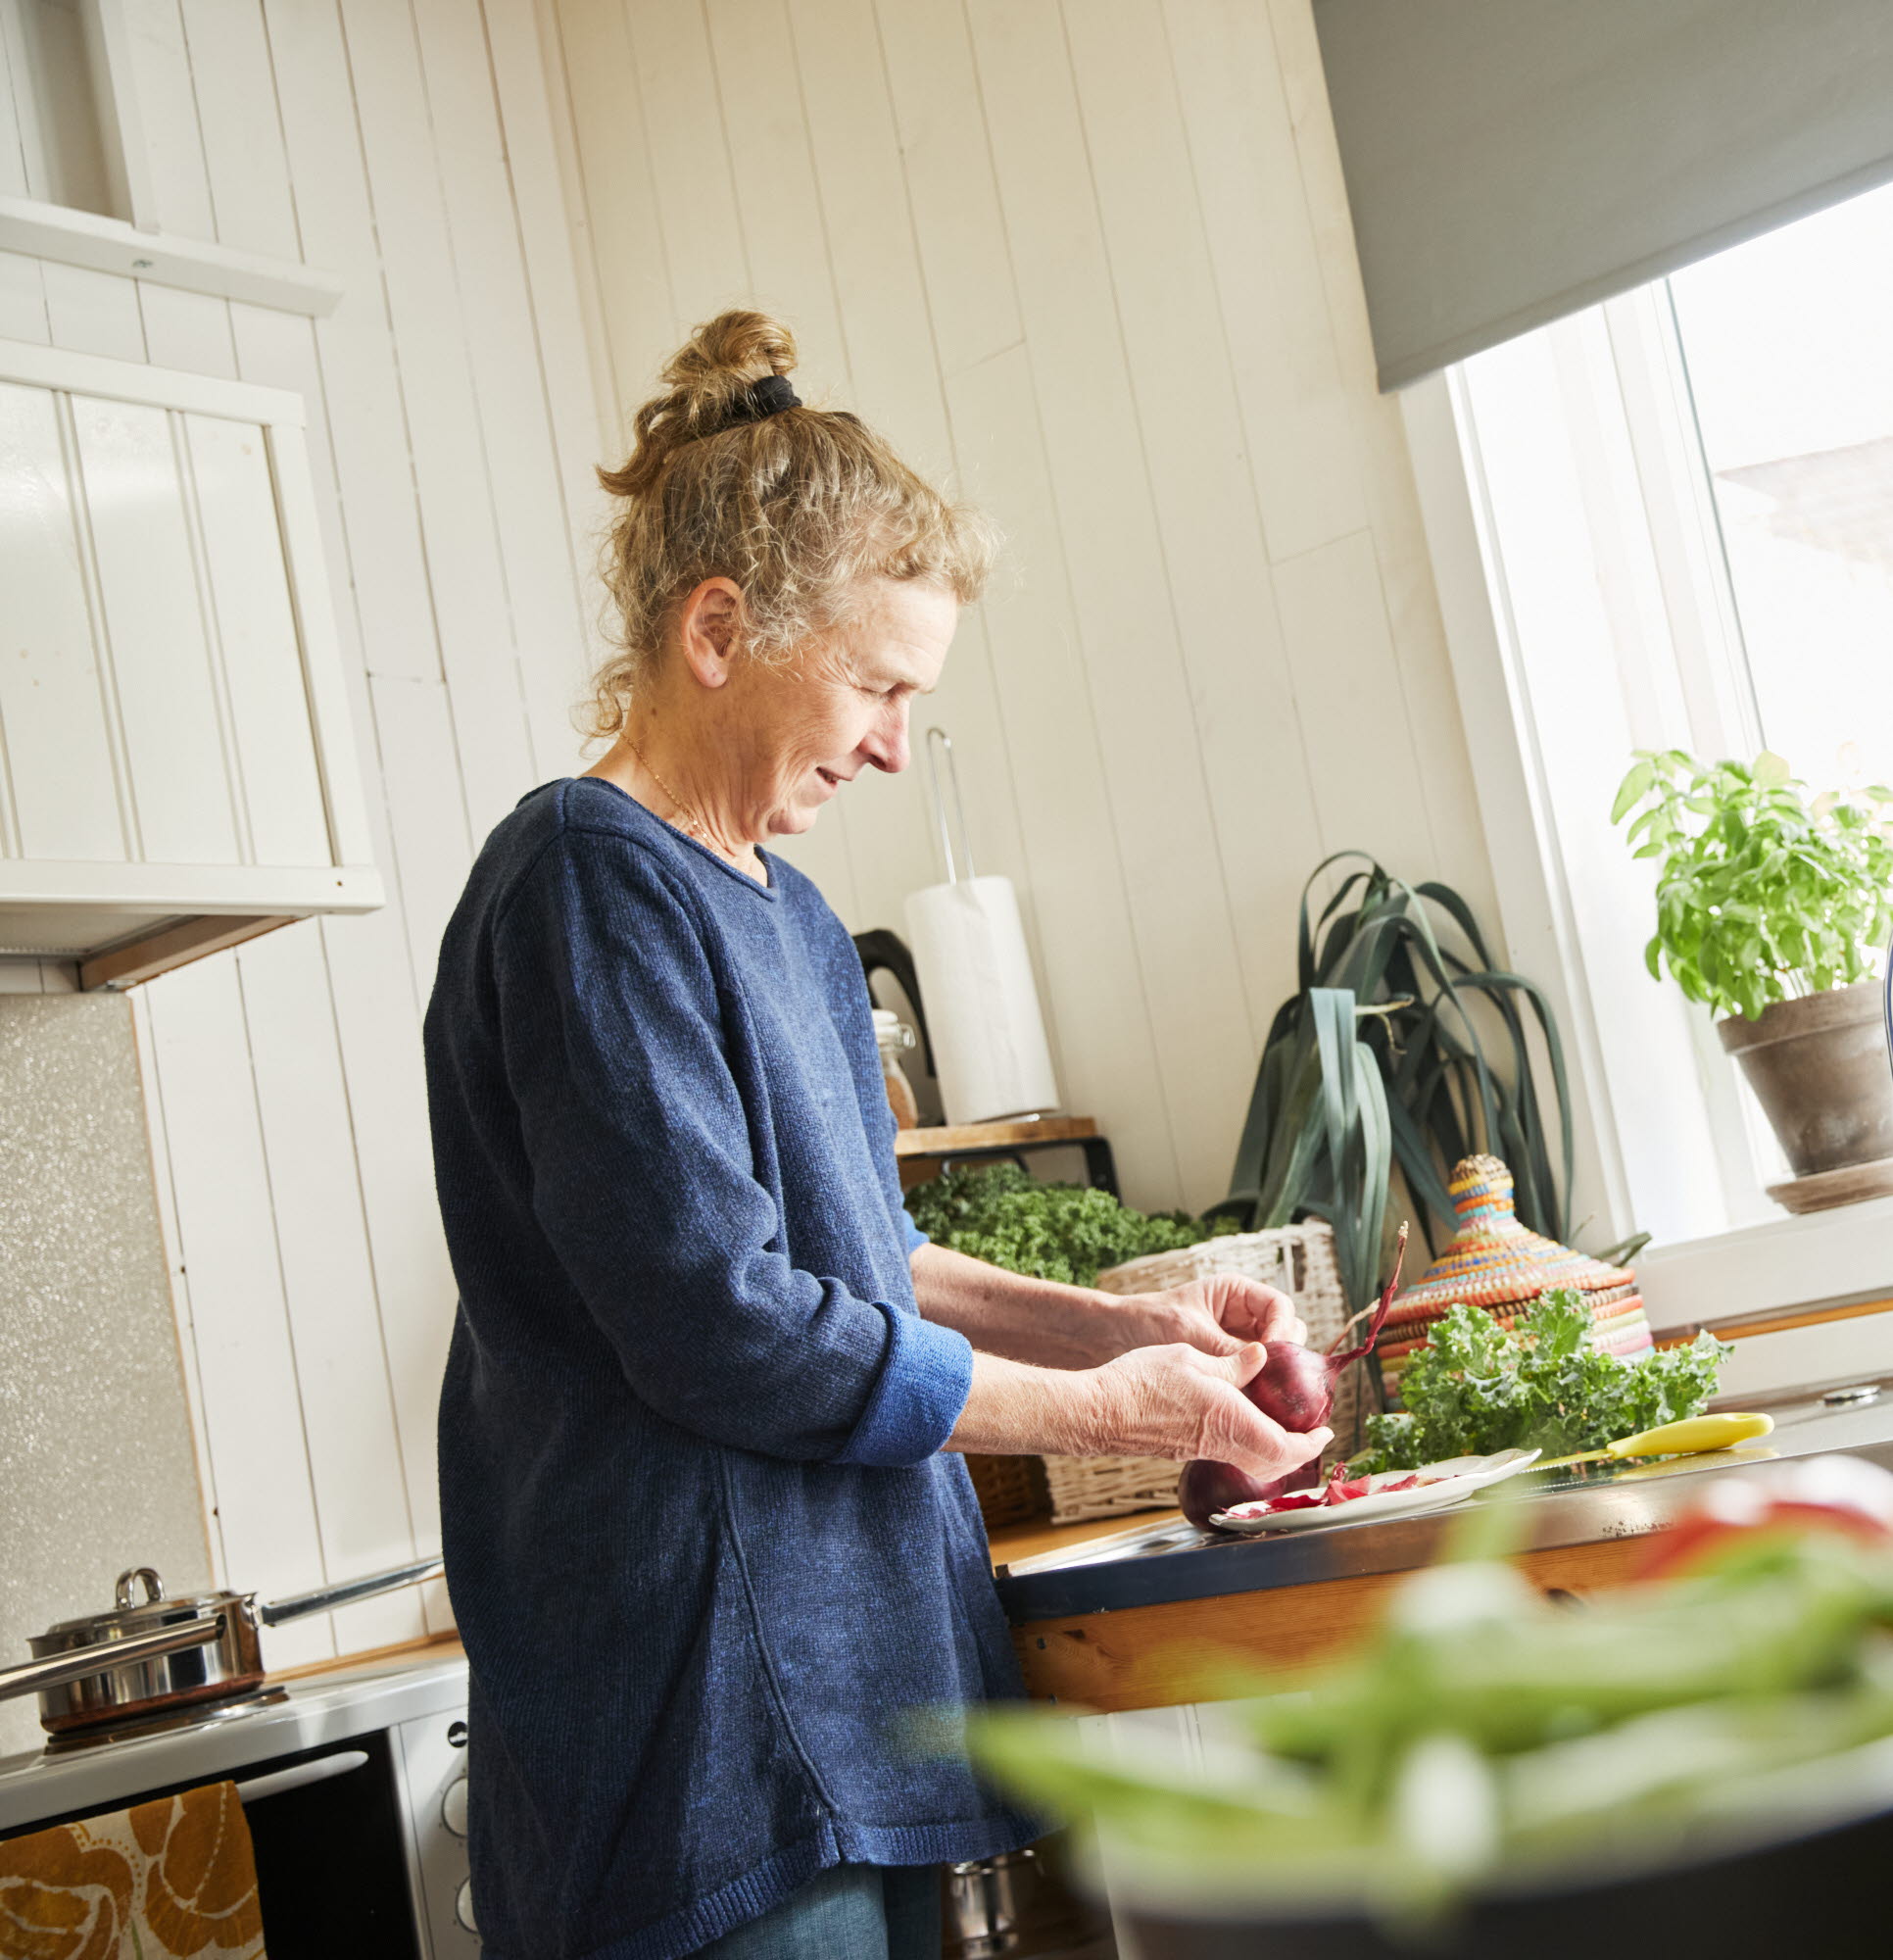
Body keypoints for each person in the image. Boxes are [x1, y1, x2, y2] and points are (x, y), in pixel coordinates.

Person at [423, 311, 1329, 1960]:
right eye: (875, 684)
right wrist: (1101, 1412)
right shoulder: (587, 880)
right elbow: (728, 1321)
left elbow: (865, 1260)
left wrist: (1123, 1329)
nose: (897, 744)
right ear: (718, 630)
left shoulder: (794, 916)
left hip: (857, 1690)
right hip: (704, 1734)